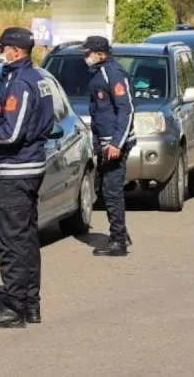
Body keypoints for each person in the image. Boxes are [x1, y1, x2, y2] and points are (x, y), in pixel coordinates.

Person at [0, 26, 55, 329]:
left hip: (17, 171)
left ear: (16, 51)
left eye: (3, 48)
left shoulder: (19, 83)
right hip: (29, 168)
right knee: (27, 238)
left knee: (12, 240)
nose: (0, 54)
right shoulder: (36, 78)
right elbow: (24, 117)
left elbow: (12, 134)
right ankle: (31, 303)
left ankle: (14, 307)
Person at [82, 35, 136, 257]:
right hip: (104, 143)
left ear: (100, 54)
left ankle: (118, 241)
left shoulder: (112, 73)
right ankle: (121, 232)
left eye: (88, 53)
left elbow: (126, 109)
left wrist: (117, 143)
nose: (85, 57)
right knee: (102, 189)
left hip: (115, 144)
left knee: (112, 192)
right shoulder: (100, 73)